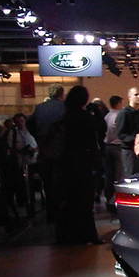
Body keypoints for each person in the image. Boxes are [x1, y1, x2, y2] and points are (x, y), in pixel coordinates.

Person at [54, 85, 102, 245]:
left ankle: (68, 235)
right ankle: (88, 235)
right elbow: (96, 135)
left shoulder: (65, 117)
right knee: (85, 201)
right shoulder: (85, 117)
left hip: (67, 163)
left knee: (70, 200)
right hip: (83, 163)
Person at [27, 84, 65, 221]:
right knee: (61, 185)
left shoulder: (39, 108)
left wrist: (38, 137)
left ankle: (51, 213)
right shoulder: (65, 107)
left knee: (48, 185)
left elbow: (29, 124)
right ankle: (61, 213)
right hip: (61, 152)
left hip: (44, 151)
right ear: (61, 94)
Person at [102, 95, 124, 211]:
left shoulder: (107, 116)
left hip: (107, 146)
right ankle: (114, 201)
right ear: (118, 103)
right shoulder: (118, 116)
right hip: (116, 147)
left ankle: (108, 198)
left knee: (109, 174)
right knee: (119, 175)